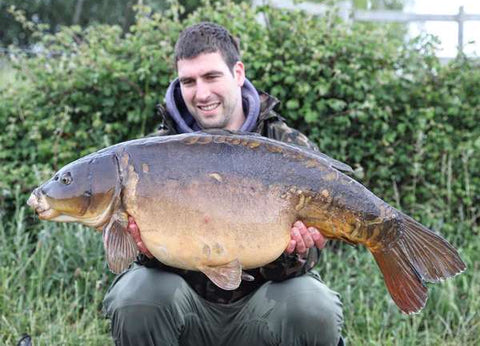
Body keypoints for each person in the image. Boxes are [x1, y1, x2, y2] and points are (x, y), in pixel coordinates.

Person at [103, 22, 344, 346]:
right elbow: (147, 262)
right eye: (189, 81)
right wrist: (144, 249)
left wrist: (297, 251)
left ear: (238, 73)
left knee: (311, 304)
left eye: (212, 77)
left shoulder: (284, 143)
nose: (201, 94)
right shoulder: (151, 155)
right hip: (187, 313)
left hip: (261, 312)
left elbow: (305, 264)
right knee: (136, 293)